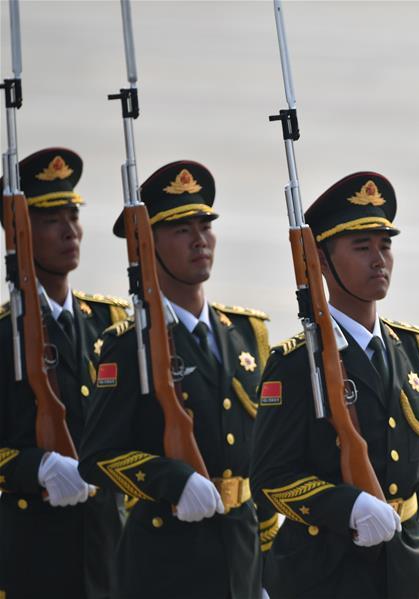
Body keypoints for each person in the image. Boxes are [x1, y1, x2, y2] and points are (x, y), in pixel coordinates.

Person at [77, 160, 274, 598]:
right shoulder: (130, 345)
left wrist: (266, 572)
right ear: (148, 244)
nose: (200, 239)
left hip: (239, 556)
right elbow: (97, 456)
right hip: (164, 562)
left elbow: (258, 463)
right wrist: (171, 478)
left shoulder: (247, 334)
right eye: (182, 230)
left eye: (204, 225)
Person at [250, 172, 419, 599]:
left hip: (407, 570)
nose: (379, 259)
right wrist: (346, 506)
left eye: (385, 245)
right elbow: (270, 477)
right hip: (326, 572)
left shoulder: (415, 351)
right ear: (320, 260)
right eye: (362, 248)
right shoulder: (297, 362)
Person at [0, 148, 128, 599]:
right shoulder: (3, 333)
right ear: (19, 232)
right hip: (32, 555)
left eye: (73, 215)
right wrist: (35, 466)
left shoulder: (111, 324)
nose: (70, 230)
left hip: (108, 550)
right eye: (52, 218)